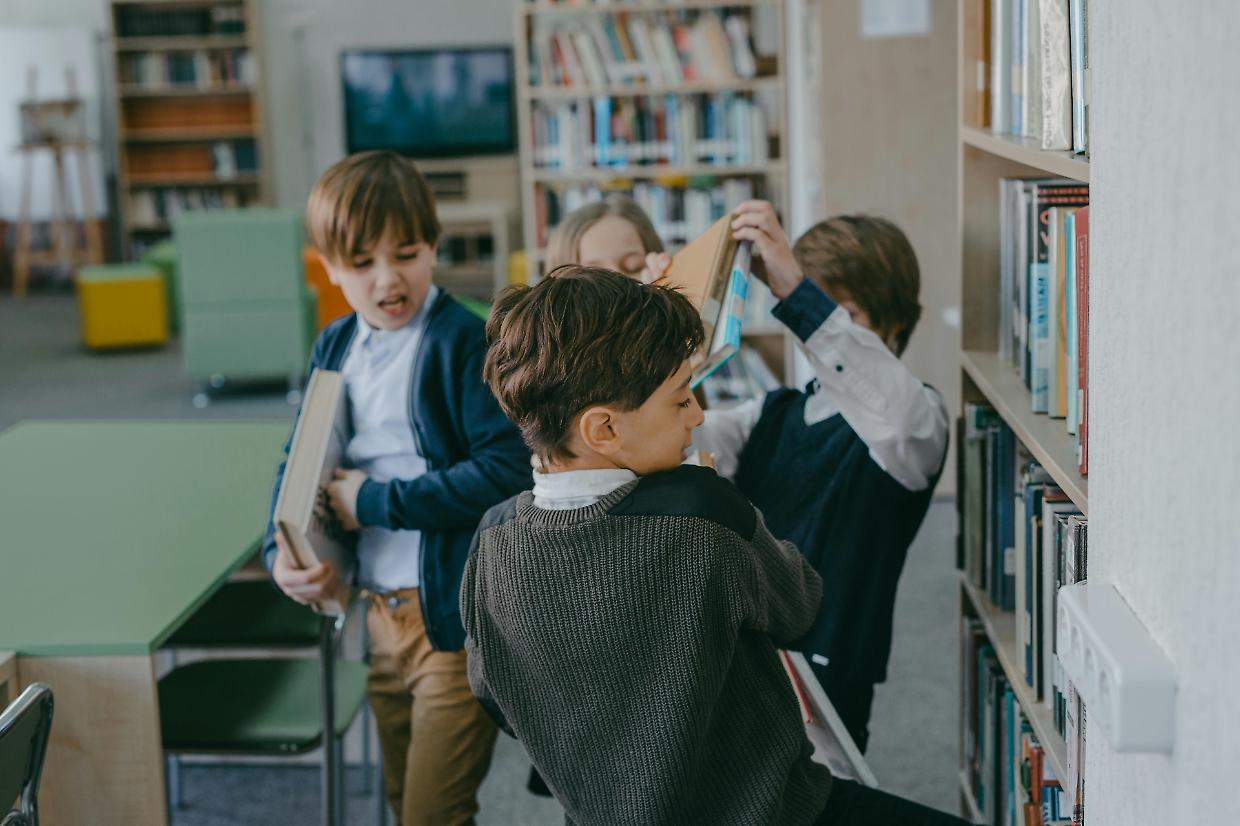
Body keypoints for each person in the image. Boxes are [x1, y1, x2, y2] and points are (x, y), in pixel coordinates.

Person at [463, 266, 969, 825]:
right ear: (603, 430)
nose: (699, 414)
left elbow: (493, 692)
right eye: (681, 399)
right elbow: (800, 605)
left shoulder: (491, 540)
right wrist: (720, 497)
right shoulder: (701, 511)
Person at [555, 196, 951, 752]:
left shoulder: (917, 420)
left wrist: (798, 294)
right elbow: (661, 448)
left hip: (826, 671)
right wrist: (649, 330)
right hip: (741, 654)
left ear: (897, 320)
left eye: (847, 315)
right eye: (819, 312)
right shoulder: (773, 411)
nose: (823, 330)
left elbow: (896, 418)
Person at [260, 150, 531, 825]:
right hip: (376, 618)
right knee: (400, 800)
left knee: (432, 814)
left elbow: (506, 470)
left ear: (434, 245)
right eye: (362, 263)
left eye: (406, 254)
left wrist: (374, 502)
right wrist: (280, 552)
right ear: (328, 267)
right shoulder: (335, 345)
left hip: (452, 624)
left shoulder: (464, 342)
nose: (388, 278)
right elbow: (299, 460)